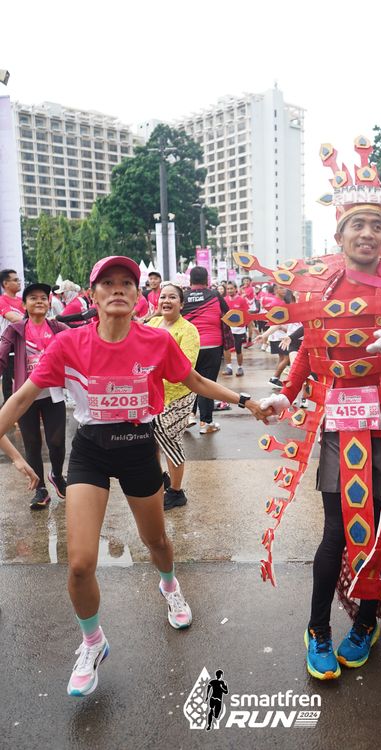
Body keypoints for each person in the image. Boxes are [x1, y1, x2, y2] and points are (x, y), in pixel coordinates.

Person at [0, 255, 269, 697]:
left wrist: (246, 401)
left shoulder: (156, 341)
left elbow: (197, 382)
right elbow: (23, 397)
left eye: (127, 282)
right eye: (108, 283)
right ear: (93, 295)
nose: (118, 289)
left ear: (138, 294)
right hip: (90, 452)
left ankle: (170, 586)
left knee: (156, 541)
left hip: (139, 448)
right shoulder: (68, 345)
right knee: (80, 563)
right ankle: (93, 642)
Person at [257, 137, 381, 681]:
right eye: (357, 224)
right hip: (338, 427)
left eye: (376, 226)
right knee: (336, 530)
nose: (367, 233)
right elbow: (309, 351)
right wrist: (287, 393)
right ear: (339, 234)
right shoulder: (318, 290)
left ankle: (365, 622)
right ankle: (318, 629)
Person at [0, 283, 68, 509]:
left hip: (53, 393)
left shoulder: (58, 327)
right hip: (25, 395)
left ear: (49, 303)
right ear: (24, 305)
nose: (39, 301)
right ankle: (40, 490)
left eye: (43, 298)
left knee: (57, 442)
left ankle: (56, 475)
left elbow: (80, 345)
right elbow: (2, 355)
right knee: (32, 443)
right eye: (33, 298)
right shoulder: (15, 330)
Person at [147, 284, 200, 510]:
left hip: (178, 396)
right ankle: (162, 480)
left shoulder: (188, 330)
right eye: (163, 297)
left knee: (170, 440)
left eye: (172, 297)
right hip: (152, 394)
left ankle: (177, 492)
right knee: (151, 441)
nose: (166, 301)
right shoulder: (152, 324)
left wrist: (152, 372)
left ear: (182, 304)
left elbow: (186, 366)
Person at [183, 266, 229, 433]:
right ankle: (206, 423)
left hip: (189, 345)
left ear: (190, 280)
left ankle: (189, 415)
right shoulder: (215, 295)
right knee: (207, 383)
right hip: (212, 345)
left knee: (190, 382)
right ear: (207, 280)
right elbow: (228, 314)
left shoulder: (183, 297)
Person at [0, 269, 24, 403]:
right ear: (6, 284)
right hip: (8, 348)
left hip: (24, 345)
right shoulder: (1, 300)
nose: (19, 282)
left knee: (24, 380)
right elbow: (13, 318)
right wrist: (34, 320)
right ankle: (8, 409)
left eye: (18, 279)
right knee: (9, 382)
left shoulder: (22, 301)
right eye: (15, 280)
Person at [222, 281, 249, 377]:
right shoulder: (224, 299)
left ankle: (240, 368)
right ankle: (229, 367)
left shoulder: (241, 300)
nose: (229, 290)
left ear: (235, 289)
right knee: (226, 348)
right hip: (228, 328)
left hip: (239, 329)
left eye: (231, 288)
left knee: (238, 349)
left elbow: (246, 314)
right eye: (228, 289)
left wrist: (245, 325)